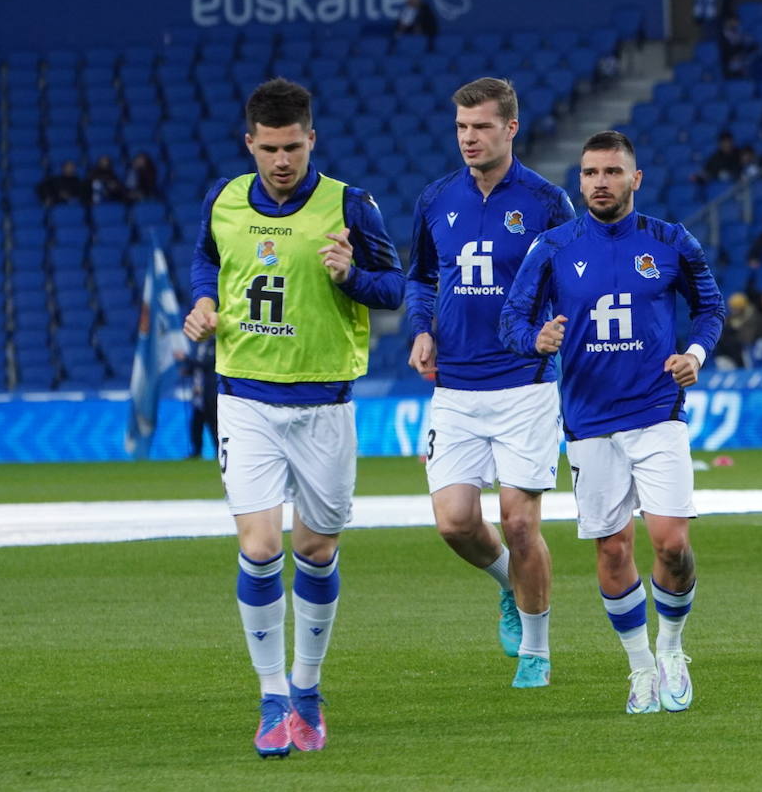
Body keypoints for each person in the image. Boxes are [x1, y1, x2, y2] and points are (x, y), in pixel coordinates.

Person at [183, 77, 404, 758]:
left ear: (314, 139)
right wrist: (200, 304)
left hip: (325, 404)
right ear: (249, 142)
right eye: (270, 148)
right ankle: (272, 694)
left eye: (294, 147)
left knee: (316, 550)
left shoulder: (350, 205)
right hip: (244, 397)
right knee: (258, 547)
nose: (282, 161)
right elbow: (205, 262)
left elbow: (398, 287)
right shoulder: (222, 201)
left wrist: (351, 278)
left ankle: (308, 687)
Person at [499, 130, 726, 714]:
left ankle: (673, 650)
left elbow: (711, 308)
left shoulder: (670, 242)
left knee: (672, 543)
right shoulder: (552, 247)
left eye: (613, 172)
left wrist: (694, 356)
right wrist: (535, 338)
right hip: (589, 422)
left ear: (635, 179)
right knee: (613, 552)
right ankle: (641, 668)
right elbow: (512, 321)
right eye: (591, 172)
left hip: (657, 413)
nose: (601, 182)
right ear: (580, 180)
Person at [404, 77, 574, 690]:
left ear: (510, 128)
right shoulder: (435, 200)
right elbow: (422, 278)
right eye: (460, 128)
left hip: (523, 382)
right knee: (453, 521)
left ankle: (537, 650)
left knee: (521, 522)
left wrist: (553, 330)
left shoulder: (548, 201)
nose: (468, 138)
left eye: (480, 127)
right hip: (454, 386)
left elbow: (569, 282)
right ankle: (510, 583)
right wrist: (421, 329)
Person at [186, 336, 218, 459]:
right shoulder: (198, 346)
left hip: (211, 393)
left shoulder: (214, 344)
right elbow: (197, 367)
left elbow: (208, 363)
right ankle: (196, 452)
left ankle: (218, 451)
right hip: (199, 395)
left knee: (214, 424)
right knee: (196, 424)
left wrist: (187, 360)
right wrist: (188, 370)